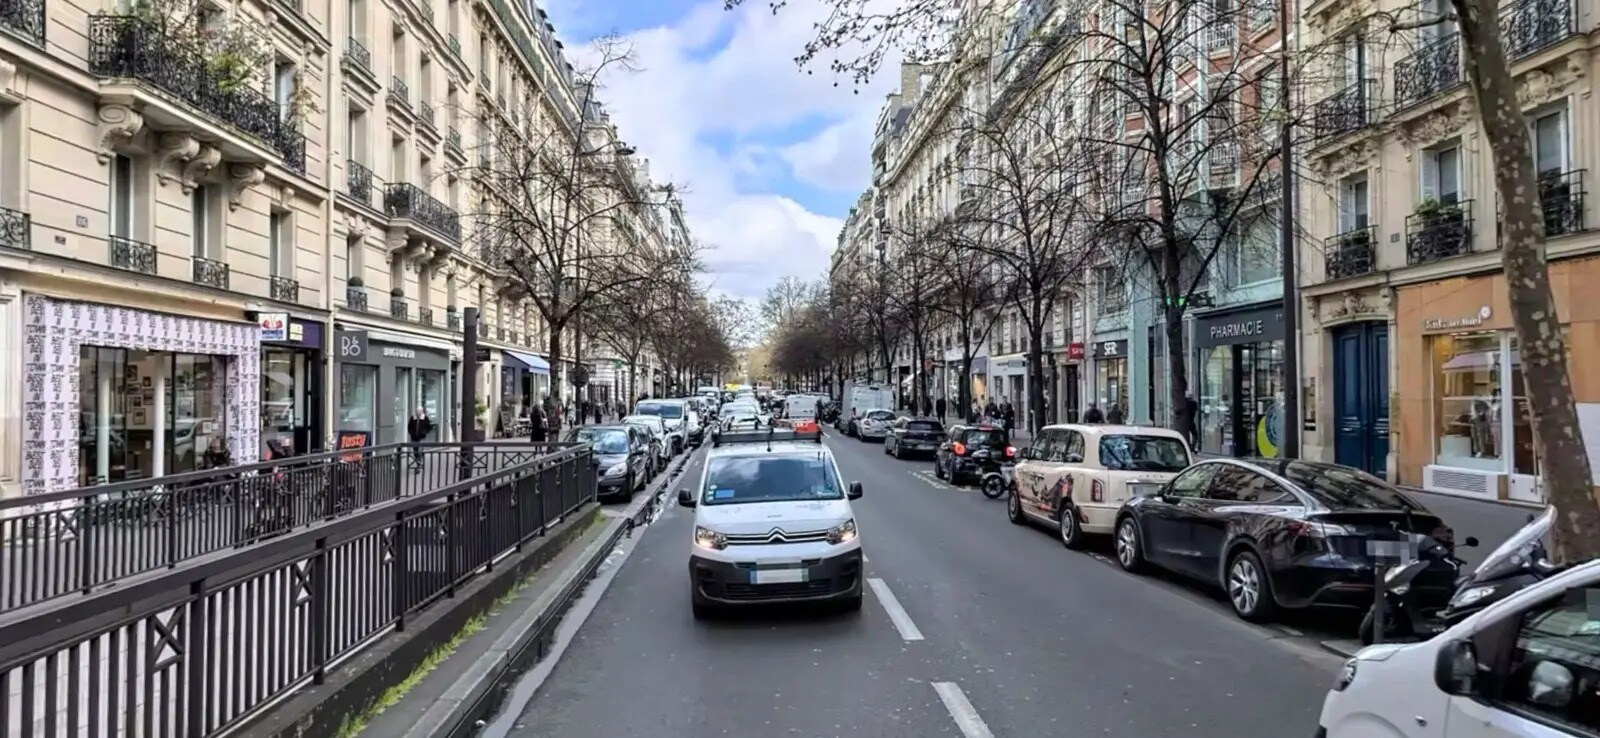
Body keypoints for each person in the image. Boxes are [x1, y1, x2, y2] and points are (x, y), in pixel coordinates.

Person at [406, 408, 434, 473]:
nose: (417, 413)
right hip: (414, 437)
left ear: (421, 412)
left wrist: (424, 432)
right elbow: (409, 427)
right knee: (415, 451)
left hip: (421, 437)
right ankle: (419, 463)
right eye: (416, 412)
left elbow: (429, 427)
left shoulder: (425, 418)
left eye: (419, 412)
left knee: (419, 451)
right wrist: (411, 432)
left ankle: (419, 465)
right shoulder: (412, 418)